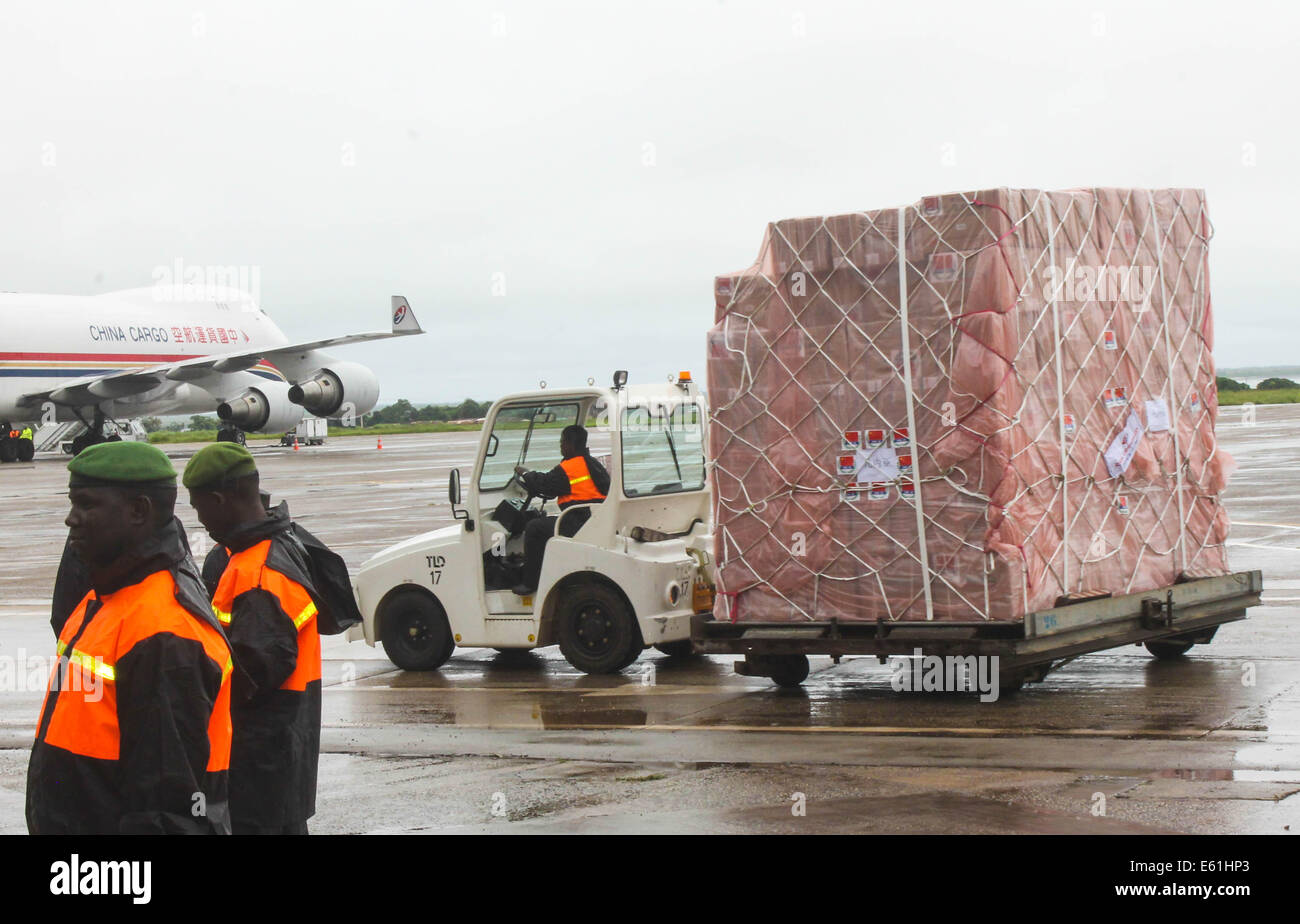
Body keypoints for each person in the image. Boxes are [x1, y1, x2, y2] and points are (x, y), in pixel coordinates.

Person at [27, 441, 233, 834]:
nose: (71, 520)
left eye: (86, 505)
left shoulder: (164, 633)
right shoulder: (104, 597)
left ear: (139, 511)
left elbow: (166, 814)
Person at [184, 443, 323, 835]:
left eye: (199, 507)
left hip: (259, 766)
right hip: (282, 757)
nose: (200, 519)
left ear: (220, 500)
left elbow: (249, 677)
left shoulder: (259, 574)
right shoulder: (276, 545)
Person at [512, 424, 609, 595]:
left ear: (570, 444)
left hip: (578, 522)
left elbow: (544, 483)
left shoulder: (570, 468)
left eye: (562, 442)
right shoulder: (592, 463)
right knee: (546, 520)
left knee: (534, 527)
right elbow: (551, 483)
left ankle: (530, 583)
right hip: (594, 519)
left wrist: (526, 473)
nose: (561, 446)